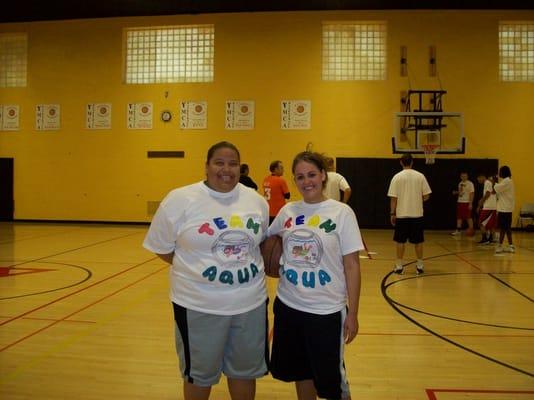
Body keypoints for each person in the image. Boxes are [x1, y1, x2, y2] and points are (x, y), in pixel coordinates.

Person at [143, 141, 269, 400]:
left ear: (240, 167)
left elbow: (259, 244)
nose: (226, 169)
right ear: (206, 167)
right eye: (219, 163)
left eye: (233, 163)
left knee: (245, 373)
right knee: (199, 375)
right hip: (197, 305)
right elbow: (161, 247)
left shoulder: (256, 201)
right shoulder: (180, 199)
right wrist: (197, 270)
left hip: (250, 304)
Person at [268, 151, 363, 400]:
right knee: (301, 373)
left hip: (326, 311)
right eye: (300, 176)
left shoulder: (341, 213)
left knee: (332, 383)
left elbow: (352, 265)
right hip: (289, 306)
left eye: (311, 174)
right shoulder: (288, 212)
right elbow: (265, 241)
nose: (306, 181)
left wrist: (352, 313)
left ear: (323, 175)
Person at [387, 153, 432, 275]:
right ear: (412, 162)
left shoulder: (396, 177)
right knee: (418, 241)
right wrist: (417, 199)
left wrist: (392, 213)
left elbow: (393, 198)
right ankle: (420, 265)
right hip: (417, 214)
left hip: (402, 215)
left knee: (400, 241)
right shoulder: (420, 176)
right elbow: (427, 195)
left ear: (401, 162)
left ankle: (399, 266)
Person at [494, 165, 515, 254]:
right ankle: (510, 246)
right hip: (506, 208)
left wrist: (494, 181)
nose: (499, 173)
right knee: (506, 228)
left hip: (505, 209)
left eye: (500, 171)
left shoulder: (507, 181)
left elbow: (496, 188)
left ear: (504, 172)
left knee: (504, 228)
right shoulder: (507, 181)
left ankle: (501, 246)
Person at [263, 160, 290, 224]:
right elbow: (287, 195)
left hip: (268, 211)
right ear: (275, 169)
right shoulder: (281, 180)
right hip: (279, 212)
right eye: (281, 168)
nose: (283, 170)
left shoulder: (265, 179)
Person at [451, 171, 475, 235]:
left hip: (466, 202)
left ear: (467, 176)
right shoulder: (460, 183)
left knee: (468, 217)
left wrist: (470, 203)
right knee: (459, 217)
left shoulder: (470, 183)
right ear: (460, 177)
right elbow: (461, 193)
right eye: (462, 176)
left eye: (465, 176)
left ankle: (471, 230)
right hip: (460, 202)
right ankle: (458, 230)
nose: (463, 177)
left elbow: (472, 194)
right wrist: (456, 192)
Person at [476, 173, 497, 244]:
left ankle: (485, 239)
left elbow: (488, 193)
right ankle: (490, 238)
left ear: (482, 177)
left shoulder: (487, 182)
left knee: (480, 223)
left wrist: (481, 201)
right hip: (492, 206)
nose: (478, 180)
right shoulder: (489, 182)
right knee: (491, 224)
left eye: (478, 179)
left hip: (489, 207)